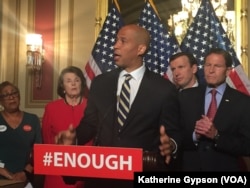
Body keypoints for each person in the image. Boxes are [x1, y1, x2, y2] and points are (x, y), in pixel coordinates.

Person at [55, 24, 181, 187]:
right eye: (115, 40)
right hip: (102, 178)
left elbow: (174, 132)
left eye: (123, 41)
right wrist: (75, 138)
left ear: (140, 49)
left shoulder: (163, 89)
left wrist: (170, 144)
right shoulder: (100, 83)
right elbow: (90, 124)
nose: (115, 45)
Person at [177, 48, 250, 171]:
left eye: (217, 66)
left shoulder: (243, 102)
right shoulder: (185, 96)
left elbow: (247, 145)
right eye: (208, 65)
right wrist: (195, 136)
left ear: (228, 71)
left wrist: (217, 136)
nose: (211, 70)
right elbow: (175, 135)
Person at [42, 66, 92, 188]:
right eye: (68, 81)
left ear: (82, 83)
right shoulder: (51, 108)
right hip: (58, 170)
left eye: (77, 80)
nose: (73, 84)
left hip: (88, 168)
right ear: (62, 86)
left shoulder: (92, 106)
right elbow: (47, 139)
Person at [0, 81, 42, 186]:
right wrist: (9, 175)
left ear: (19, 97)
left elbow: (39, 150)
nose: (11, 97)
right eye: (6, 95)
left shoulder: (32, 119)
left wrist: (25, 172)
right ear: (0, 101)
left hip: (27, 180)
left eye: (14, 93)